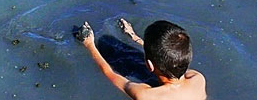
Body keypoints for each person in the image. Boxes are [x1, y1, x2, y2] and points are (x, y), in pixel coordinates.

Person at [77, 18, 207, 100]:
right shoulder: (197, 79)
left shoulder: (146, 96)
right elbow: (171, 58)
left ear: (149, 65)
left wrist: (89, 44)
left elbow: (110, 74)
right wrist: (134, 37)